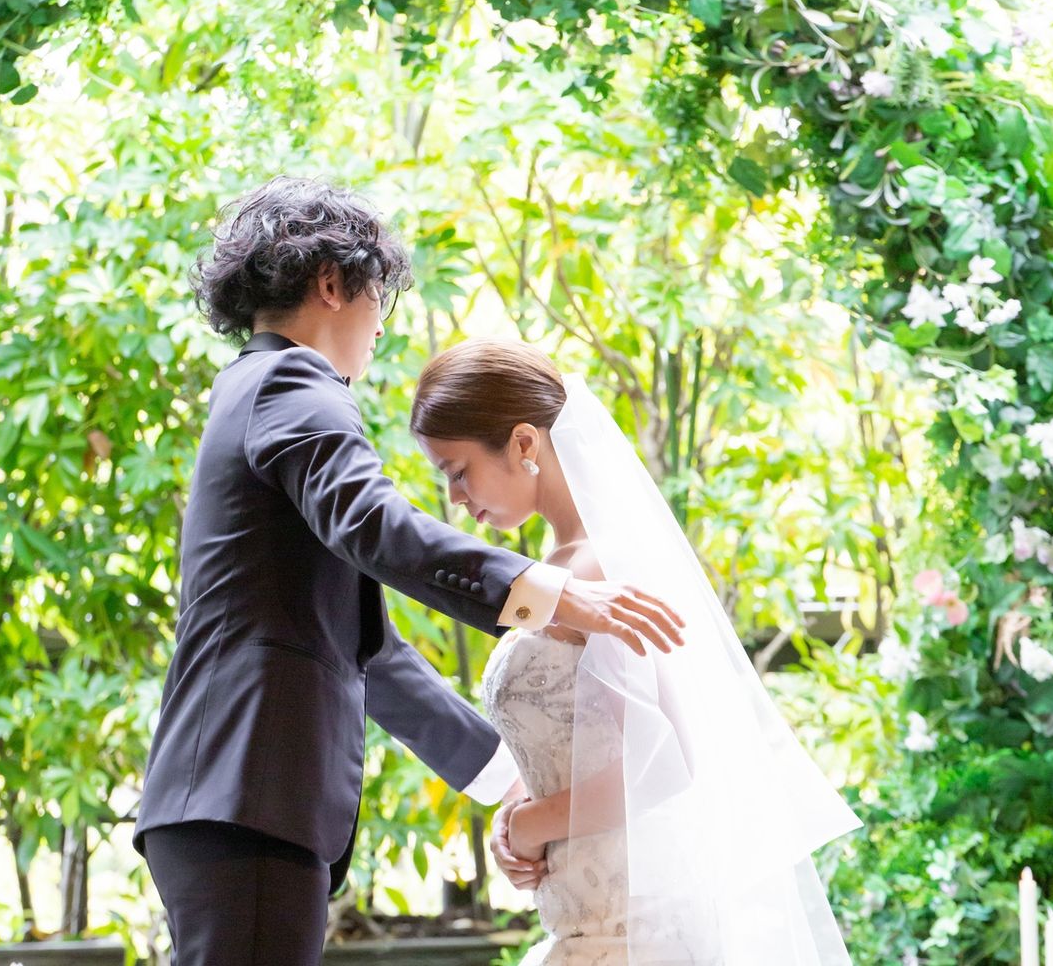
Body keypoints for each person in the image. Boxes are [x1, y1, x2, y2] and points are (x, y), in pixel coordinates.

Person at [133, 177, 686, 966]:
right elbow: (375, 526)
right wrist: (554, 592)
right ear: (334, 283)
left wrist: (510, 787)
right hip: (247, 790)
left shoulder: (254, 391)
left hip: (234, 798)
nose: (380, 328)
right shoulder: (293, 383)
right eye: (379, 300)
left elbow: (369, 651)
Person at [411, 338, 863, 966]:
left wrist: (533, 824)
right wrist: (516, 820)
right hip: (588, 914)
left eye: (458, 471)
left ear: (523, 443)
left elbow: (668, 761)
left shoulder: (600, 573)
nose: (455, 497)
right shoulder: (560, 573)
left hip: (632, 926)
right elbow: (574, 747)